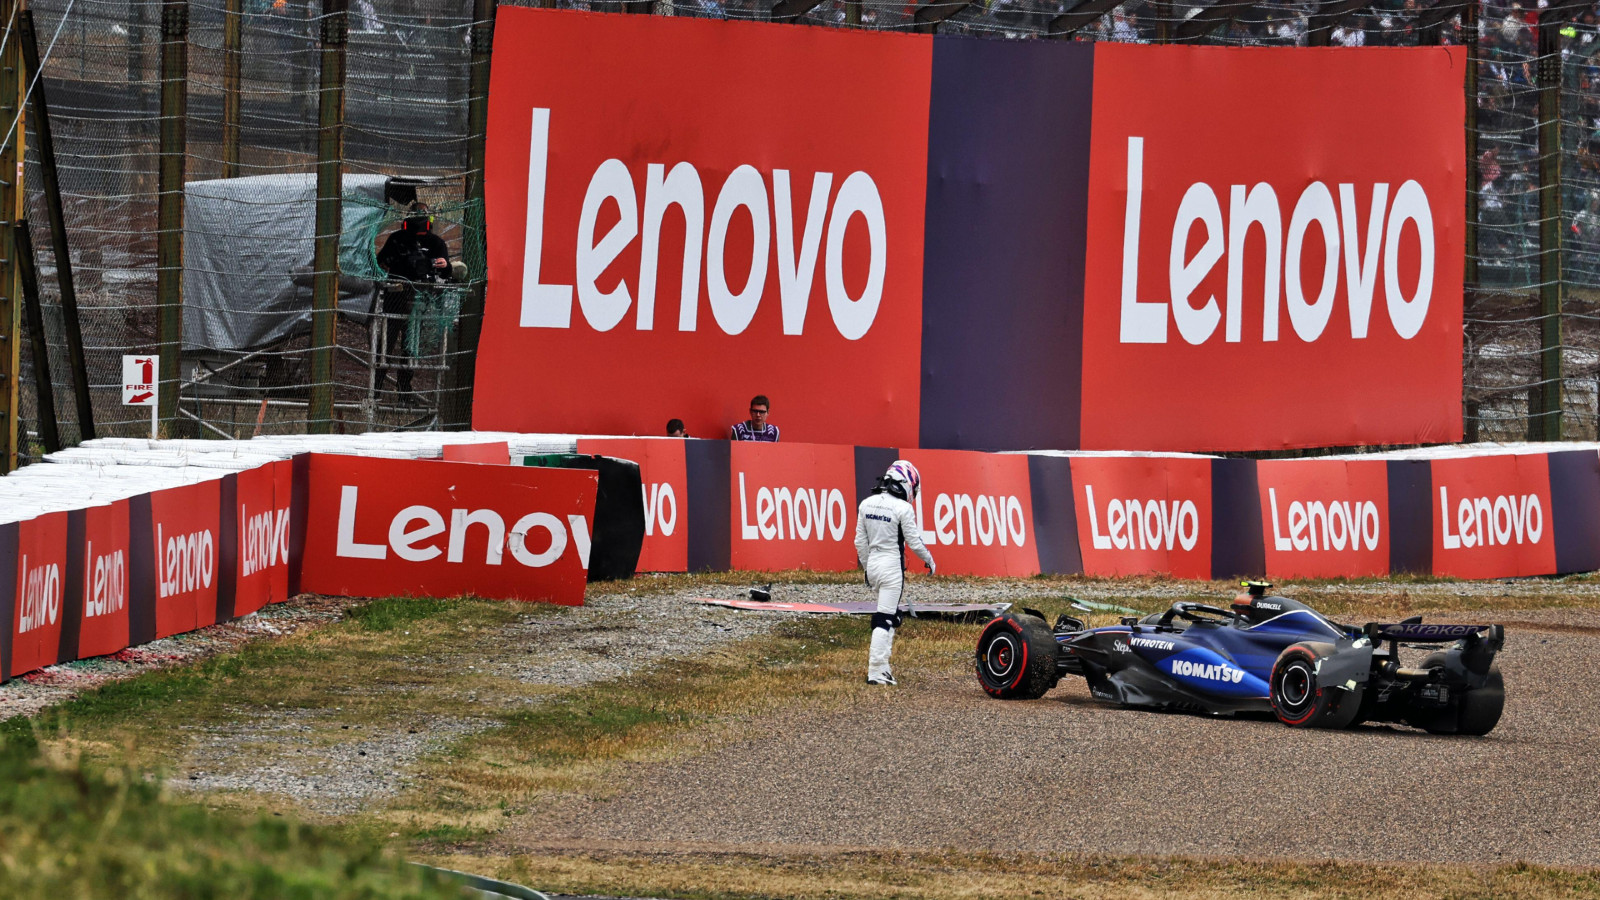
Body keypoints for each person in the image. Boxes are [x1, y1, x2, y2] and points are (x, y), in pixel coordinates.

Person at [854, 460, 936, 686]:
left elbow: (860, 542)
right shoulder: (903, 508)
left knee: (889, 614)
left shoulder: (866, 503)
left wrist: (868, 568)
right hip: (891, 567)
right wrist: (929, 560)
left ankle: (884, 668)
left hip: (874, 564)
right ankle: (876, 671)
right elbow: (914, 541)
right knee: (885, 617)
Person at [375, 203, 451, 400]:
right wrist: (397, 264)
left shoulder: (436, 243)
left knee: (411, 347)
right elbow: (381, 262)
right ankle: (375, 390)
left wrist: (443, 265)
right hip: (396, 297)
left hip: (421, 301)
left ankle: (404, 391)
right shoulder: (397, 239)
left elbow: (446, 270)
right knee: (386, 345)